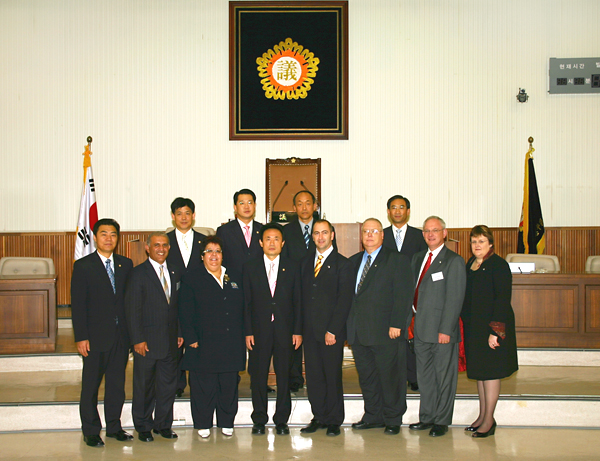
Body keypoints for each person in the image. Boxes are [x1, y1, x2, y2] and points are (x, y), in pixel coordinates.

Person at [347, 218, 414, 435]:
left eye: (374, 231)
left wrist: (397, 324)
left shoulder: (396, 260)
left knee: (391, 377)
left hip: (386, 331)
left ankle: (393, 418)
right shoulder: (354, 261)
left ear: (382, 235)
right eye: (366, 231)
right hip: (359, 332)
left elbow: (403, 295)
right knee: (367, 377)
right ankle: (373, 415)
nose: (369, 235)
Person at [71, 218, 134, 447]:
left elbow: (128, 302)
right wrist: (80, 337)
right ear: (95, 237)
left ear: (118, 238)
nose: (109, 238)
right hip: (94, 338)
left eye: (113, 234)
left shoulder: (126, 264)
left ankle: (114, 427)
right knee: (90, 386)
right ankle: (90, 430)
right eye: (104, 234)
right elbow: (78, 305)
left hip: (120, 337)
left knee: (117, 386)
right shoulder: (83, 265)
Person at [179, 235, 246, 438]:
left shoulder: (234, 275)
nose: (214, 255)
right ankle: (203, 423)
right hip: (202, 342)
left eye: (217, 251)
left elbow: (243, 307)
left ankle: (227, 421)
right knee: (203, 386)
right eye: (209, 251)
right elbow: (185, 310)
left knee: (228, 385)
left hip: (231, 342)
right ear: (202, 256)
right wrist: (190, 337)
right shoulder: (192, 277)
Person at [409, 216, 466, 437]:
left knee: (444, 378)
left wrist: (446, 329)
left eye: (435, 230)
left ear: (444, 233)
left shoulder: (454, 261)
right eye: (426, 231)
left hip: (442, 331)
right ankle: (427, 417)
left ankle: (442, 420)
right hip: (420, 329)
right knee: (424, 378)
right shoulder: (417, 258)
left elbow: (455, 299)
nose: (430, 234)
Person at [244, 222, 302, 436]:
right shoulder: (250, 267)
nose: (272, 242)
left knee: (284, 375)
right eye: (267, 238)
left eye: (276, 239)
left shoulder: (293, 266)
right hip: (258, 332)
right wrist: (248, 331)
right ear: (260, 242)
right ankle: (259, 419)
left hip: (285, 330)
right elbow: (246, 303)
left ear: (283, 243)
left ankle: (281, 420)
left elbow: (298, 301)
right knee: (258, 376)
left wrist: (298, 331)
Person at [461, 225, 518, 438]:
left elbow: (502, 300)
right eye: (474, 241)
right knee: (481, 373)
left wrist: (496, 332)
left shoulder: (499, 265)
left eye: (481, 241)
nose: (477, 245)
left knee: (491, 372)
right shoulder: (471, 264)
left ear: (490, 243)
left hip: (493, 328)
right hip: (474, 327)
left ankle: (489, 421)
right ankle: (483, 415)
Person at [125, 232, 182, 442]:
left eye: (165, 245)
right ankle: (143, 426)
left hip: (170, 341)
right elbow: (132, 310)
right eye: (157, 245)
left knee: (168, 387)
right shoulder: (138, 273)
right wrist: (137, 339)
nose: (161, 249)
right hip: (146, 343)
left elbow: (177, 307)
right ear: (148, 248)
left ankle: (163, 425)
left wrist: (180, 333)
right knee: (144, 387)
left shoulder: (174, 271)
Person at [299, 219, 354, 437]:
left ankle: (334, 420)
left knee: (332, 376)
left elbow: (344, 301)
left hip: (331, 333)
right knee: (313, 377)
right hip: (309, 332)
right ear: (311, 237)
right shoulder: (304, 263)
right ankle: (319, 416)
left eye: (324, 232)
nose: (320, 237)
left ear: (332, 235)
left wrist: (333, 330)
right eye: (316, 233)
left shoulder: (343, 264)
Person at [382, 195, 427, 392]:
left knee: (413, 338)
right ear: (388, 212)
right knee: (391, 340)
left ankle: (413, 375)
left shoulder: (420, 236)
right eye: (394, 208)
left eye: (401, 207)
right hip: (387, 297)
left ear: (408, 211)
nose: (398, 211)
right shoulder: (381, 235)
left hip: (414, 295)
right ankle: (395, 377)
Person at [166, 197, 206, 398]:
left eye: (187, 213)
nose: (184, 217)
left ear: (194, 216)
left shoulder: (203, 241)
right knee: (175, 345)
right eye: (179, 213)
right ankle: (177, 384)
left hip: (198, 303)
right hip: (171, 302)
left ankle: (197, 383)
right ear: (173, 217)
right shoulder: (165, 242)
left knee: (195, 342)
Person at [282, 190, 319, 392]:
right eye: (299, 204)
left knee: (314, 337)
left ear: (315, 206)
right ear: (294, 208)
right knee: (294, 335)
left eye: (308, 203)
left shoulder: (324, 229)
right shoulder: (286, 231)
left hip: (318, 292)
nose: (304, 207)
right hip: (295, 291)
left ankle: (315, 376)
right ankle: (295, 377)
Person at [216, 189, 263, 275]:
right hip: (233, 281)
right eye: (242, 203)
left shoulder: (263, 230)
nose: (246, 207)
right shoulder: (224, 231)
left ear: (254, 205)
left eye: (249, 203)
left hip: (258, 281)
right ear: (235, 207)